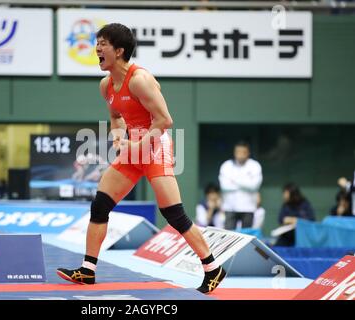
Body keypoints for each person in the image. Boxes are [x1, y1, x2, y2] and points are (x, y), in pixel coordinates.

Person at [56, 23, 226, 294]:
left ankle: (212, 268)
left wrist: (137, 144)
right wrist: (118, 137)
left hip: (155, 147)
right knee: (100, 205)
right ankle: (87, 271)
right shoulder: (106, 84)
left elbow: (165, 121)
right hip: (133, 149)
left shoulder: (139, 80)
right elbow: (115, 116)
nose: (97, 48)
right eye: (97, 42)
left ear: (119, 50)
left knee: (174, 215)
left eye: (103, 44)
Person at [218, 141, 263, 230]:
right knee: (229, 237)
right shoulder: (226, 166)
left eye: (244, 152)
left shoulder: (255, 166)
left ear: (248, 153)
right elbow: (224, 186)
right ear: (234, 153)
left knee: (247, 236)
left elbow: (254, 186)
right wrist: (246, 182)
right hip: (229, 208)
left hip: (249, 208)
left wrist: (234, 180)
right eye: (238, 152)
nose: (241, 155)